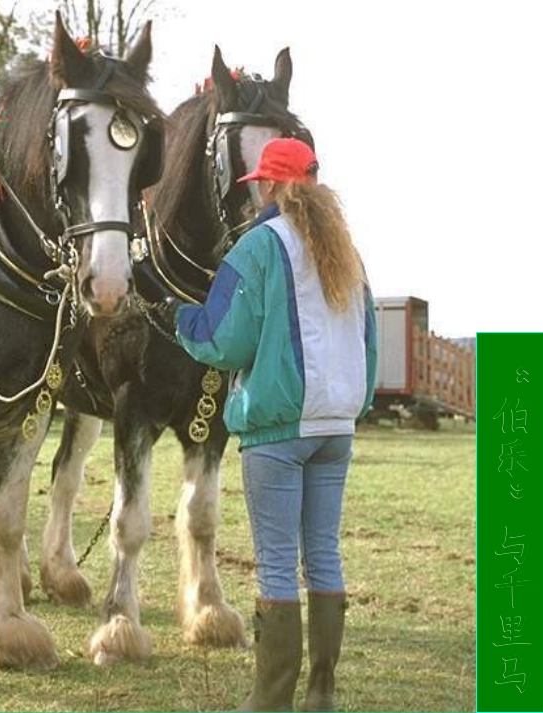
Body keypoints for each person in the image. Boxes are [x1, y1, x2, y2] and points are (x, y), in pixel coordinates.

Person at [159, 137, 377, 711]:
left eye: (259, 182)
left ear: (275, 185)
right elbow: (369, 343)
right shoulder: (347, 251)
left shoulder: (257, 246)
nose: (253, 191)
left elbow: (222, 340)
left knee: (278, 564)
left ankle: (270, 702)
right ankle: (322, 694)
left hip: (279, 429)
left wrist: (176, 316)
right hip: (337, 424)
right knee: (323, 554)